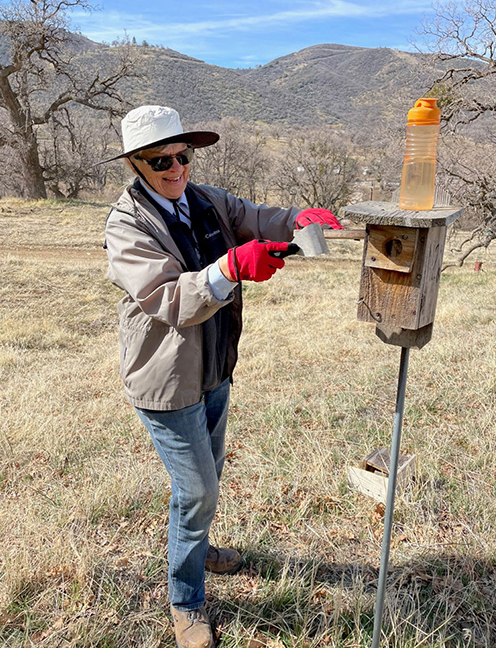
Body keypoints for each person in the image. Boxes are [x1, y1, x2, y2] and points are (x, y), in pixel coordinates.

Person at [102, 105, 342, 648]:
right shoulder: (127, 224)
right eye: (160, 159)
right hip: (166, 381)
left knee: (203, 481)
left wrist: (299, 220)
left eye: (182, 155)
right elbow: (166, 298)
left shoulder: (206, 200)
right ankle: (186, 600)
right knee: (198, 488)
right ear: (136, 164)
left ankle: (198, 544)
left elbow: (256, 217)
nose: (175, 167)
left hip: (215, 366)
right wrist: (231, 267)